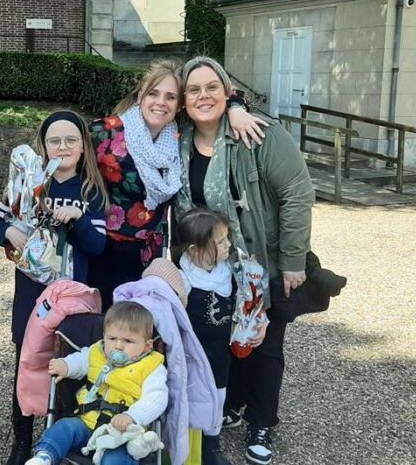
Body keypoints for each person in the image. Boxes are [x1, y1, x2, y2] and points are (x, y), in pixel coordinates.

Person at [173, 56, 315, 465]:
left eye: (212, 88)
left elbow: (297, 192)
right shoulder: (179, 139)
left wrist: (292, 260)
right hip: (210, 265)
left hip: (257, 261)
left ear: (226, 90)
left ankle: (263, 420)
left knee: (265, 343)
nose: (203, 96)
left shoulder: (257, 134)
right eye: (194, 89)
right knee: (220, 336)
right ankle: (232, 404)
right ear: (184, 99)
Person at [87, 58, 268, 307]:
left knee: (143, 329)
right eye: (154, 93)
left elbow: (220, 93)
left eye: (171, 97)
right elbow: (64, 160)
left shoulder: (178, 135)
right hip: (106, 253)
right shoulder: (106, 133)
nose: (161, 102)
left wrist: (235, 108)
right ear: (141, 95)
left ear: (179, 105)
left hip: (152, 256)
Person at [0, 110, 108, 463]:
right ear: (44, 146)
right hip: (31, 294)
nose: (63, 147)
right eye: (55, 140)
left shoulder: (91, 190)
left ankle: (60, 439)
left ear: (84, 146)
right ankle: (21, 440)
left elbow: (98, 246)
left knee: (70, 367)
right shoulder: (30, 184)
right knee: (27, 362)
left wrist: (80, 219)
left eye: (71, 140)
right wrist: (8, 232)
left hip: (72, 298)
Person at [171, 208, 266, 465]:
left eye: (227, 238)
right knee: (191, 397)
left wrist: (259, 323)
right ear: (194, 249)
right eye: (220, 241)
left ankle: (211, 446)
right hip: (193, 352)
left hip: (221, 352)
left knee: (218, 396)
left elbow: (250, 302)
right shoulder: (182, 278)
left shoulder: (231, 273)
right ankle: (188, 445)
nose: (228, 245)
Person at [26, 301, 168, 465]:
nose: (118, 346)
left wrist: (132, 416)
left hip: (120, 435)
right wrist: (66, 366)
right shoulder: (97, 353)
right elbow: (80, 361)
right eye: (112, 338)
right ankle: (45, 457)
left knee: (115, 459)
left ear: (147, 346)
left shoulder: (151, 368)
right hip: (86, 423)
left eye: (128, 341)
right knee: (64, 427)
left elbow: (156, 398)